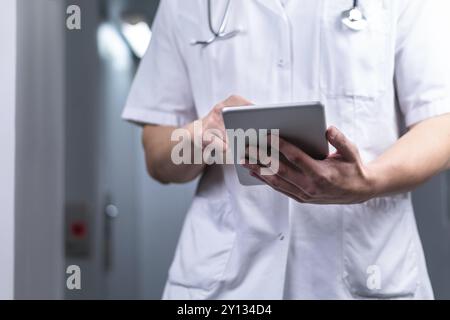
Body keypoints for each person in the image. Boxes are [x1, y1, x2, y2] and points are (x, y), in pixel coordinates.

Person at [122, 0, 450, 299]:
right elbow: (157, 153)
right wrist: (197, 138)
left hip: (366, 268)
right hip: (229, 286)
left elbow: (441, 125)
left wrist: (369, 182)